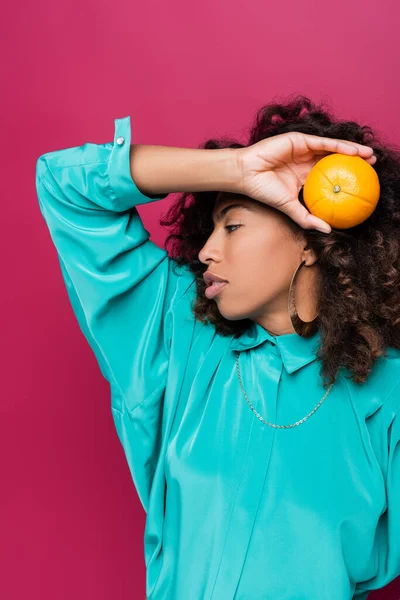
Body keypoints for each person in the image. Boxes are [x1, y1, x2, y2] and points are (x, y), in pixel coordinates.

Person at [35, 95, 400, 600]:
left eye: (232, 225)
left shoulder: (389, 394)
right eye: (210, 230)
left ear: (311, 242)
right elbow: (65, 185)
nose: (207, 250)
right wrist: (235, 169)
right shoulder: (177, 335)